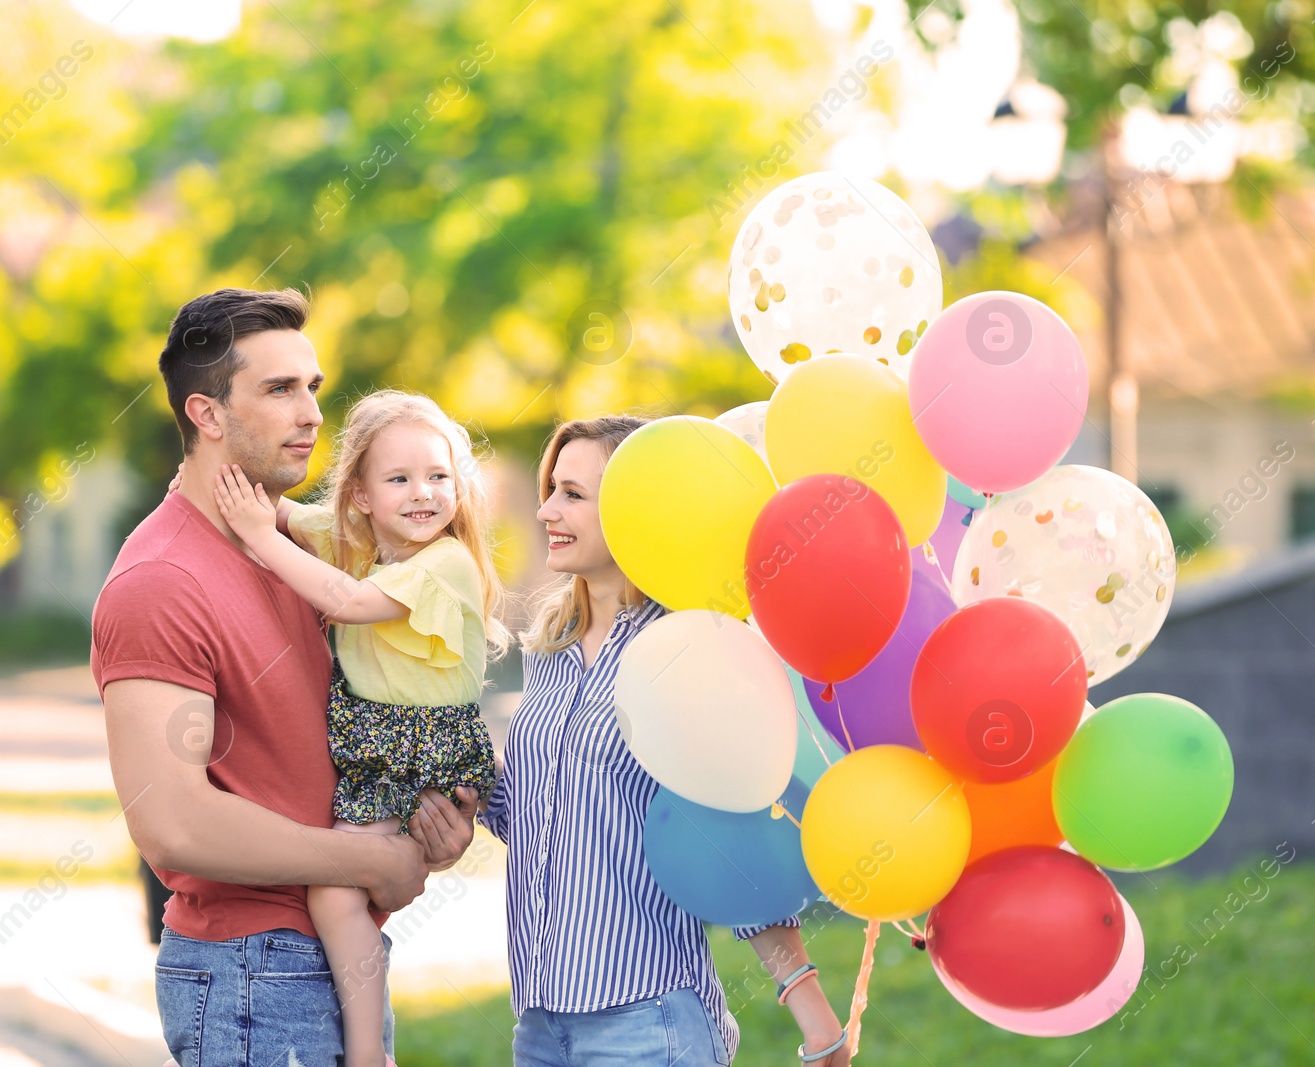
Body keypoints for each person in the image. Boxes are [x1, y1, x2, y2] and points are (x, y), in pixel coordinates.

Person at [92, 288, 478, 1067]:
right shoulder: (161, 579)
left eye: (313, 387)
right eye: (278, 389)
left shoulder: (314, 554)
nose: (310, 414)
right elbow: (175, 825)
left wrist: (433, 822)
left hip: (335, 954)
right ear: (206, 414)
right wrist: (368, 861)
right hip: (249, 974)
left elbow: (338, 739)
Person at [479, 416, 852, 1067]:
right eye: (550, 489)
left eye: (572, 493)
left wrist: (808, 1002)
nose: (545, 510)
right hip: (539, 1025)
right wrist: (457, 796)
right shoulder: (548, 649)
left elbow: (726, 831)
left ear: (634, 510)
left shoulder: (682, 654)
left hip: (648, 1020)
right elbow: (542, 814)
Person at [204, 386, 509, 1067]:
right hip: (381, 747)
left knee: (334, 892)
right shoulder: (363, 542)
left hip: (419, 748)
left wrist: (258, 536)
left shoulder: (446, 562)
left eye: (437, 475)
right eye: (399, 478)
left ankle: (368, 1052)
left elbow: (347, 600)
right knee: (352, 889)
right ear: (364, 497)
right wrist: (248, 490)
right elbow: (292, 514)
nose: (422, 492)